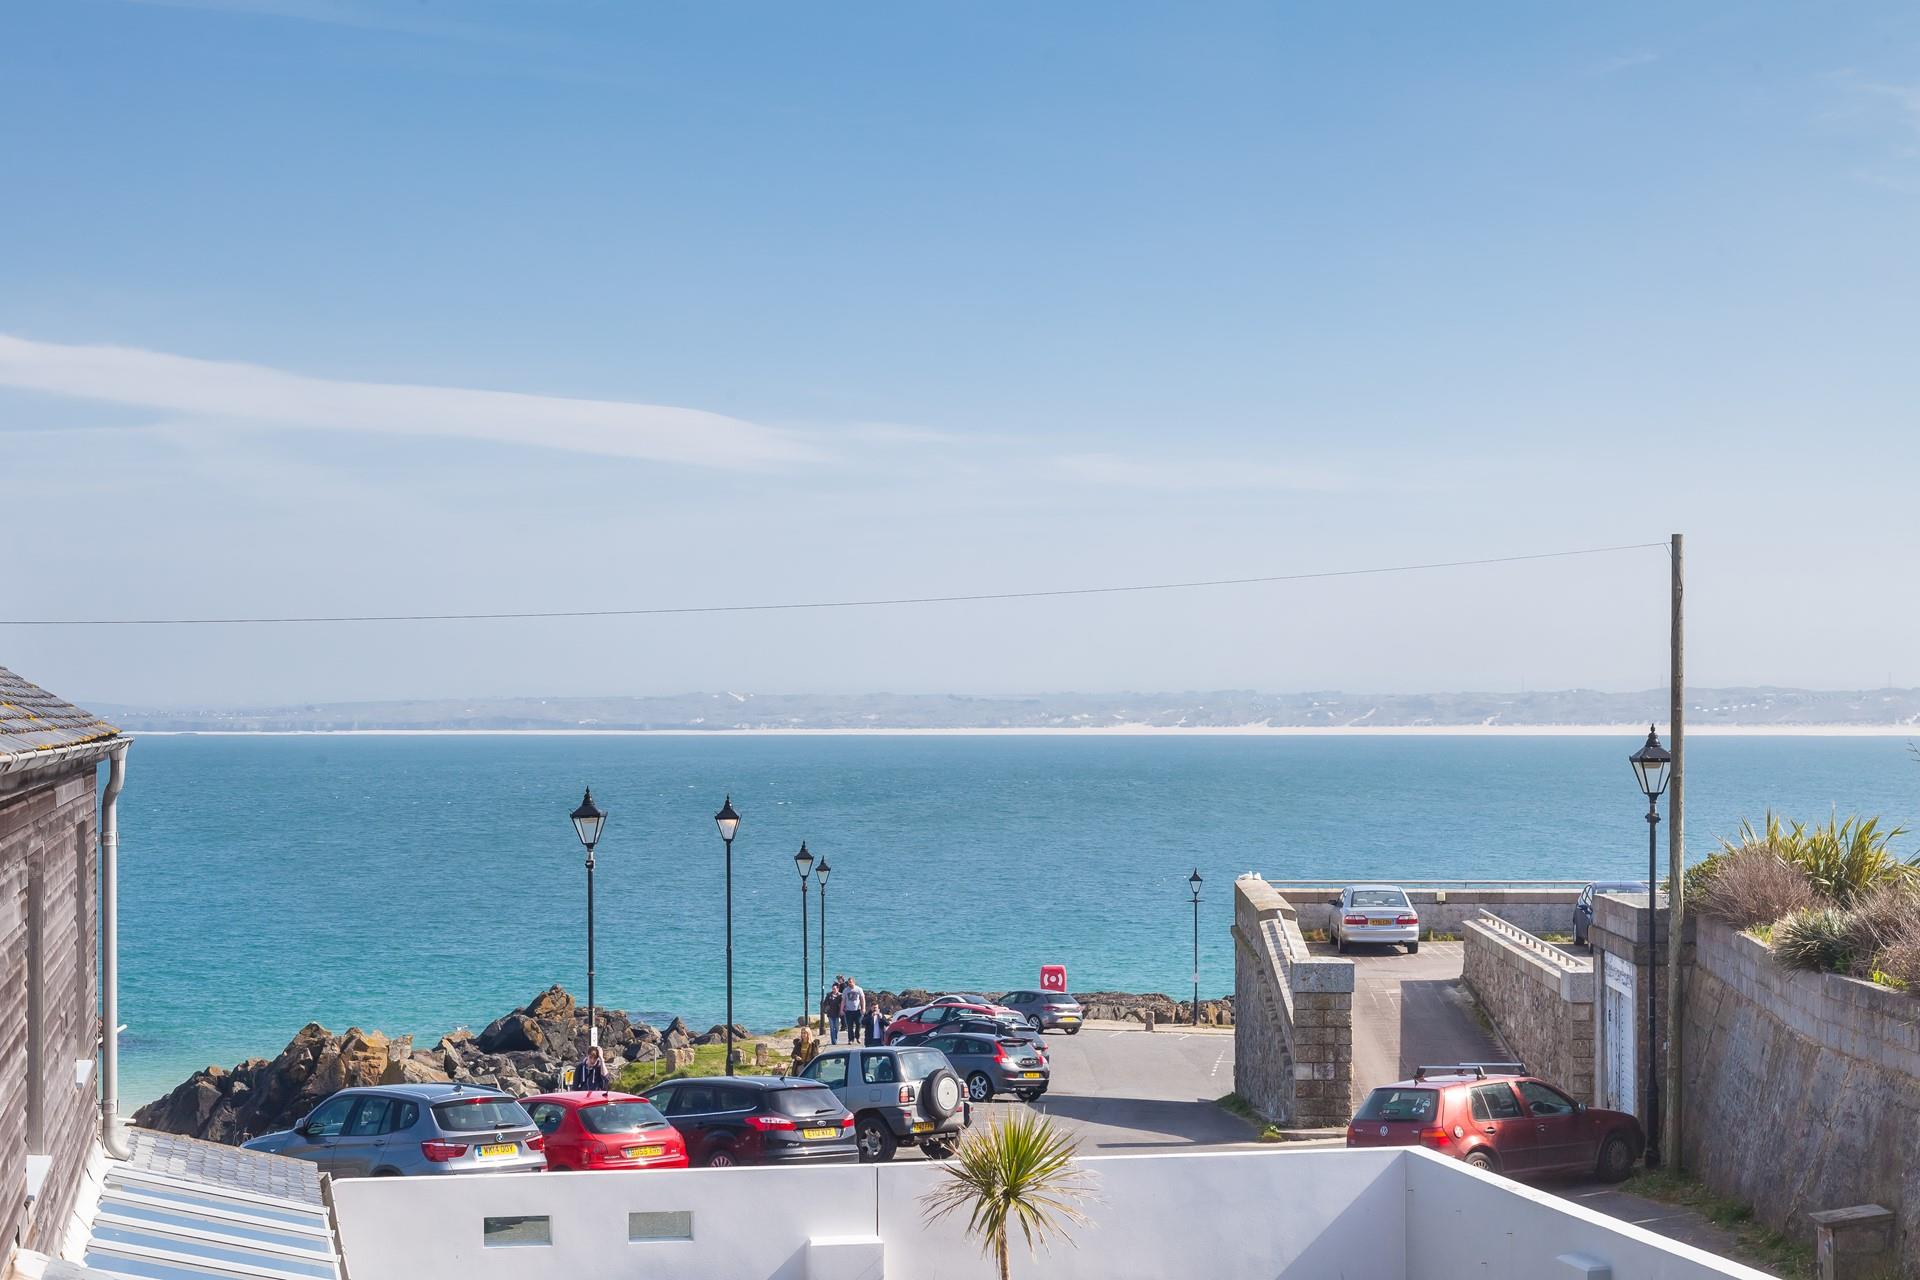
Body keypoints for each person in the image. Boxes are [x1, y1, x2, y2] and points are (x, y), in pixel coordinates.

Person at [842, 977, 866, 1044]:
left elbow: (862, 999)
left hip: (857, 1011)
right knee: (850, 1026)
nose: (849, 983)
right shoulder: (845, 990)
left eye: (851, 982)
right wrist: (841, 1009)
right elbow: (843, 1000)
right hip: (848, 1011)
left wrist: (863, 1008)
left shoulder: (859, 989)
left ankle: (857, 1037)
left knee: (858, 1024)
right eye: (848, 982)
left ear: (854, 982)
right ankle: (850, 1039)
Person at [825, 977, 844, 1045]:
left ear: (837, 989)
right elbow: (825, 1003)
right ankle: (833, 1041)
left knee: (836, 1028)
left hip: (837, 1014)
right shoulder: (829, 995)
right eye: (833, 989)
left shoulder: (840, 996)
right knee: (832, 1028)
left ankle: (835, 1038)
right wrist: (826, 1009)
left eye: (835, 989)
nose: (834, 990)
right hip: (830, 1014)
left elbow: (842, 1003)